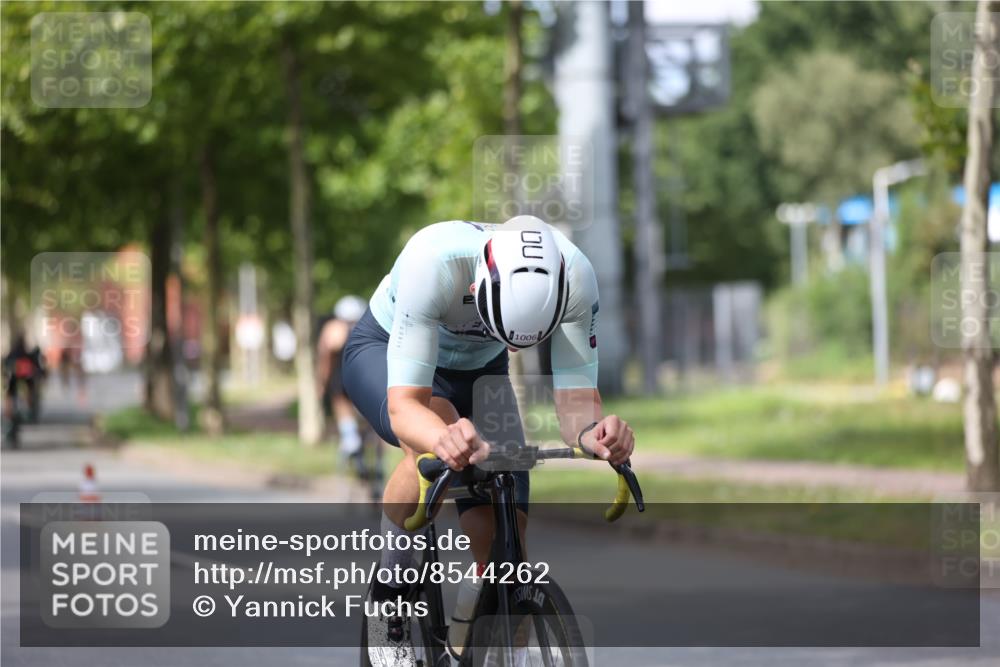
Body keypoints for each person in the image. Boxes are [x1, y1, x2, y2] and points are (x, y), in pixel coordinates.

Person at [342, 215, 635, 666]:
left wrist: (595, 434)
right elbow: (407, 407)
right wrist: (444, 435)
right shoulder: (434, 262)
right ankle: (390, 592)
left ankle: (470, 645)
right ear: (480, 289)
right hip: (389, 353)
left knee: (507, 540)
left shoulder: (576, 276)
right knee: (431, 447)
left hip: (482, 370)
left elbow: (575, 402)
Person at [316, 295, 368, 460]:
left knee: (340, 401)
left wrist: (322, 381)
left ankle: (350, 437)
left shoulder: (333, 329)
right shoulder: (368, 329)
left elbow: (326, 358)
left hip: (343, 375)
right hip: (365, 376)